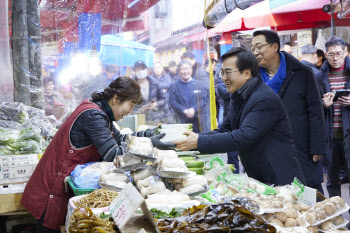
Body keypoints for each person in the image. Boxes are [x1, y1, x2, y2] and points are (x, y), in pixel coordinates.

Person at [21, 77, 173, 233]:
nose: (130, 111)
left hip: (63, 186)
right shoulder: (93, 115)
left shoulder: (101, 113)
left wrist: (148, 134)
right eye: (131, 105)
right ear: (116, 99)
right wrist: (150, 145)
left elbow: (120, 140)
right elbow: (113, 153)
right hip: (53, 191)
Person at [175, 47, 305, 185]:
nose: (224, 78)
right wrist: (192, 140)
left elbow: (243, 137)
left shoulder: (264, 99)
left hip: (280, 178)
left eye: (228, 73)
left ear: (247, 73)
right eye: (222, 72)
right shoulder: (239, 95)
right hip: (260, 175)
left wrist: (199, 142)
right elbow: (225, 129)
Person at [251, 30, 326, 193]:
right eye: (252, 48)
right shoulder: (253, 78)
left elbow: (315, 110)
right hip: (267, 147)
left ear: (274, 46)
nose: (255, 52)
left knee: (309, 190)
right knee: (277, 193)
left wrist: (318, 147)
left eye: (259, 47)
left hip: (299, 143)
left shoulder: (301, 72)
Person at [319, 36, 350, 197]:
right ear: (326, 54)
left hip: (348, 135)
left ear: (345, 52)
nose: (335, 58)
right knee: (332, 180)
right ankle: (336, 216)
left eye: (338, 53)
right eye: (331, 54)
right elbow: (312, 106)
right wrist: (323, 105)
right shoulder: (320, 76)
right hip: (330, 137)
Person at [169, 60, 208, 133]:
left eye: (187, 68)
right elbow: (172, 102)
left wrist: (193, 109)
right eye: (183, 69)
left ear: (191, 70)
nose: (185, 71)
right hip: (181, 120)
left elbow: (203, 100)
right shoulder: (174, 85)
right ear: (179, 71)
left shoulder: (199, 84)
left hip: (197, 120)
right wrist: (184, 110)